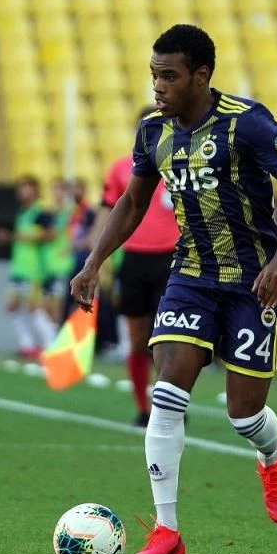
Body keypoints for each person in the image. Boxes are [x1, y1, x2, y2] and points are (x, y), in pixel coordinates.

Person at [71, 24, 277, 554]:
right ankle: (167, 530)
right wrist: (94, 262)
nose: (158, 86)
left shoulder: (247, 122)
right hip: (191, 276)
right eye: (154, 75)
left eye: (169, 76)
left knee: (244, 415)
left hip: (254, 280)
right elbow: (132, 204)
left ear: (201, 75)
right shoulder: (152, 132)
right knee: (167, 395)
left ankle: (271, 457)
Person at [93, 105, 180, 427]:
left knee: (169, 337)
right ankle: (143, 408)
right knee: (137, 336)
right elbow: (108, 211)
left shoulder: (182, 165)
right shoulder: (121, 168)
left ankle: (169, 406)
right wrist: (96, 259)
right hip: (133, 258)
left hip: (173, 257)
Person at [0, 175, 57, 359]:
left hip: (33, 269)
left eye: (26, 187)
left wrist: (15, 237)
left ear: (35, 189)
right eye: (20, 188)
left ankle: (52, 346)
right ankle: (27, 345)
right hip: (18, 268)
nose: (22, 191)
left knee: (34, 308)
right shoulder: (23, 212)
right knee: (12, 306)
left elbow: (51, 234)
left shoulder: (40, 211)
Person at [40, 178, 76, 326]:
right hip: (47, 265)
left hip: (62, 265)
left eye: (60, 189)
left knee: (58, 307)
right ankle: (54, 335)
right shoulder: (46, 213)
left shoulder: (70, 213)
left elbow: (53, 235)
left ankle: (58, 335)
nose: (57, 193)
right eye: (54, 189)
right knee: (46, 307)